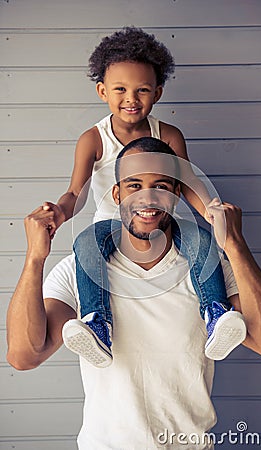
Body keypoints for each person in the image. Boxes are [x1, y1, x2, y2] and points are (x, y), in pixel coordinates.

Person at [7, 138, 261, 450]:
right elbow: (24, 356)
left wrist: (234, 243)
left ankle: (215, 315)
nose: (148, 197)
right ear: (116, 194)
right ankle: (97, 323)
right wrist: (35, 257)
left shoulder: (208, 267)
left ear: (177, 194)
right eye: (134, 185)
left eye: (162, 185)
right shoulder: (80, 269)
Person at [39, 26, 246, 365]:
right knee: (86, 244)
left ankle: (215, 314)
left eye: (142, 90)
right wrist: (59, 214)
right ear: (103, 91)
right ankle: (96, 323)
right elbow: (75, 191)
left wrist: (211, 211)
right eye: (120, 89)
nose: (131, 98)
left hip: (165, 222)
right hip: (114, 224)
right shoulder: (93, 139)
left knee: (202, 241)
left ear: (158, 92)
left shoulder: (168, 135)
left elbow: (189, 179)